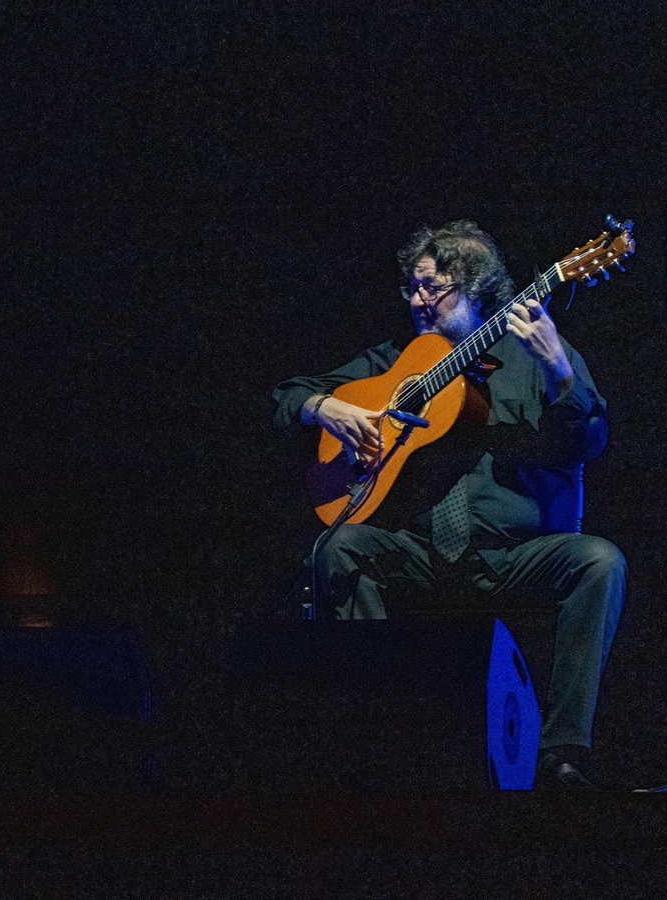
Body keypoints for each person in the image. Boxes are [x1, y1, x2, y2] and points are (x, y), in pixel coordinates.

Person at [272, 221, 624, 790]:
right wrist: (324, 407)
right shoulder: (395, 358)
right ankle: (373, 741)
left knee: (600, 562)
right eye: (412, 287)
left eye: (434, 288)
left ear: (478, 289)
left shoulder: (536, 349)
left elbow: (591, 441)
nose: (418, 300)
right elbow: (283, 396)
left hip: (512, 557)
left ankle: (563, 756)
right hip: (420, 553)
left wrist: (560, 369)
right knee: (338, 548)